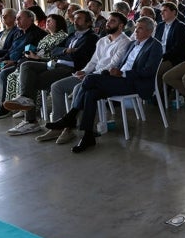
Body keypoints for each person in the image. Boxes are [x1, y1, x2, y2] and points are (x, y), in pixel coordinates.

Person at [45, 18, 164, 153]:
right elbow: (121, 64)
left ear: (149, 31)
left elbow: (148, 71)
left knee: (90, 79)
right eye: (136, 27)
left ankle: (70, 117)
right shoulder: (132, 44)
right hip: (119, 79)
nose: (135, 31)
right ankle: (88, 135)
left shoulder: (155, 46)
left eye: (140, 28)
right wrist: (113, 72)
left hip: (134, 83)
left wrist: (122, 74)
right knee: (91, 93)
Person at [43, 12, 132, 144]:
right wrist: (83, 71)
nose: (107, 23)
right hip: (90, 74)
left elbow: (113, 65)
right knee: (57, 86)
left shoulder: (125, 42)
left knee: (80, 88)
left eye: (112, 21)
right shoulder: (102, 40)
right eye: (108, 20)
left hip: (103, 77)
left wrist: (89, 75)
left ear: (121, 25)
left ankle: (69, 128)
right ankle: (58, 125)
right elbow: (93, 61)